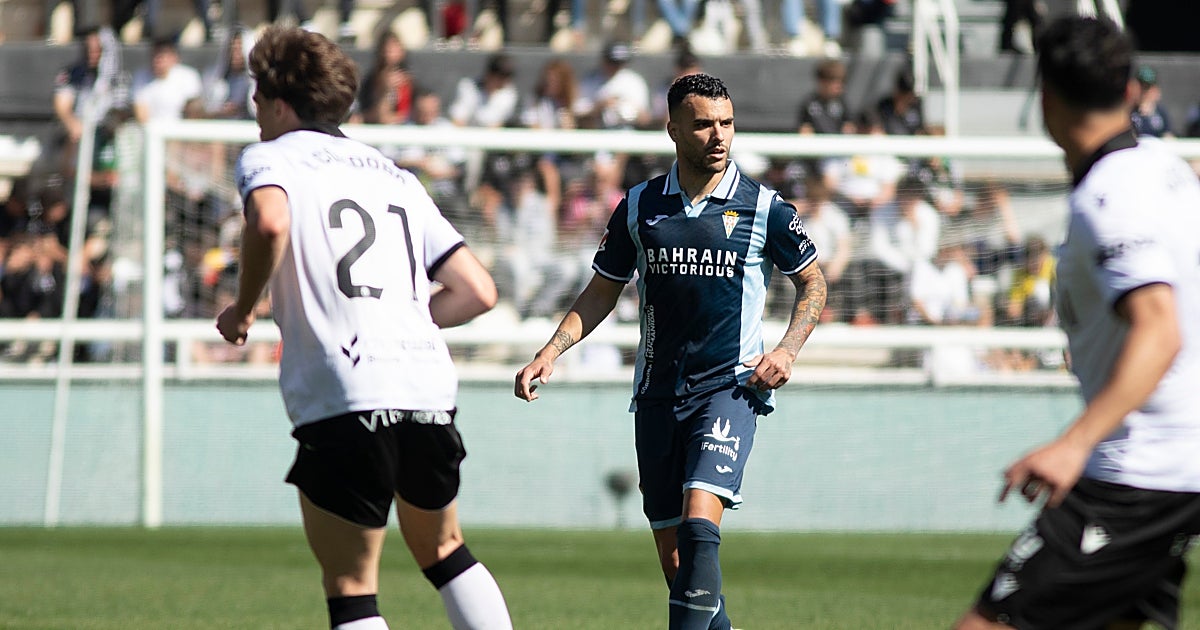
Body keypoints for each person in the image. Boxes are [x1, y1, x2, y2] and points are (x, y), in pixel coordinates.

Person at [215, 26, 512, 630]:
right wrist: (403, 320)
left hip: (346, 388)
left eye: (257, 97)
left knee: (352, 589)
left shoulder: (270, 158)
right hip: (426, 386)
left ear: (281, 104)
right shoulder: (394, 174)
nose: (254, 110)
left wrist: (243, 309)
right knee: (446, 551)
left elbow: (269, 222)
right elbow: (478, 291)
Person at [514, 73, 827, 630]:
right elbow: (603, 289)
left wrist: (786, 350)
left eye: (727, 123)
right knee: (678, 563)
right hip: (657, 395)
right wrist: (551, 351)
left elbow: (813, 283)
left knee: (700, 526)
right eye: (703, 124)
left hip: (731, 388)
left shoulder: (764, 207)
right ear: (673, 130)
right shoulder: (639, 206)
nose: (719, 135)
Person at [954, 16, 1200, 630]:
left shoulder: (1109, 199)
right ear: (1129, 90)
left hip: (1137, 473)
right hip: (1175, 464)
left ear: (1045, 100)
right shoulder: (1166, 168)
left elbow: (1160, 330)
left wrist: (1074, 443)